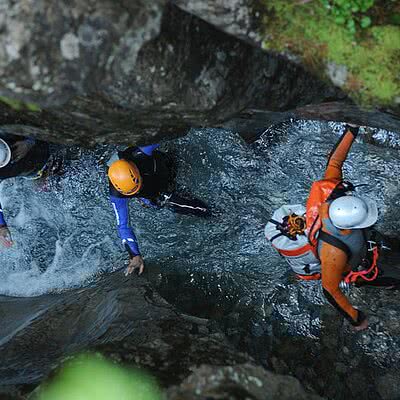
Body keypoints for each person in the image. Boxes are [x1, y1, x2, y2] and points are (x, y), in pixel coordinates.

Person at [107, 144, 210, 276]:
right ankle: (216, 215)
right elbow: (123, 226)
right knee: (197, 209)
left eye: (138, 186)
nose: (139, 188)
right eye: (133, 193)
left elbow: (163, 134)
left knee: (173, 162)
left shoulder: (140, 154)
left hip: (164, 167)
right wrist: (135, 255)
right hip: (156, 194)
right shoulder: (117, 195)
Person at [0, 130, 50, 248]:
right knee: (43, 188)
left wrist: (29, 142)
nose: (11, 155)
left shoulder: (8, 136)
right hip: (37, 173)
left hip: (46, 152)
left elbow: (38, 129)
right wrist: (1, 227)